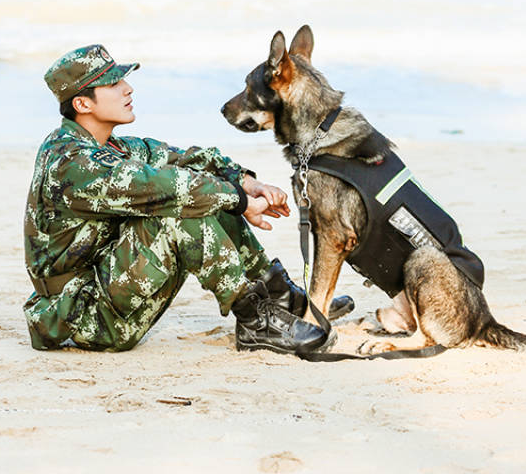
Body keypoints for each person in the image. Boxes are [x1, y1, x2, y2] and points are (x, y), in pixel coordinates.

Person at [23, 44, 352, 355]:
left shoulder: (110, 147)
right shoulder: (73, 164)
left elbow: (187, 159)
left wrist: (245, 182)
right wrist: (237, 201)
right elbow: (167, 188)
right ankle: (255, 321)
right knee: (179, 206)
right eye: (113, 83)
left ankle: (281, 299)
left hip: (107, 291)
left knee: (204, 189)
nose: (128, 88)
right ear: (83, 104)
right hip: (82, 318)